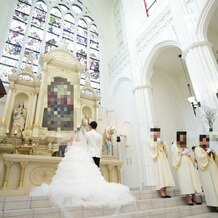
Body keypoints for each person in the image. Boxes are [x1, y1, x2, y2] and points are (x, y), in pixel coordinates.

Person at [30, 128, 135, 208]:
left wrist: (69, 143)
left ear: (75, 132)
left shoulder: (74, 137)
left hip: (73, 154)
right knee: (85, 172)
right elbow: (85, 145)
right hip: (83, 155)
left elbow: (70, 143)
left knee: (73, 172)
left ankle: (76, 188)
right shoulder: (84, 138)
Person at [171, 131, 202, 206]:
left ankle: (194, 196)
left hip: (189, 164)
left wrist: (189, 154)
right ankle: (188, 198)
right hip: (181, 165)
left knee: (192, 179)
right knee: (185, 180)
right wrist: (182, 153)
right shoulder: (175, 144)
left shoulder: (185, 144)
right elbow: (175, 154)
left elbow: (191, 154)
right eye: (181, 136)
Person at [149, 128, 175, 198]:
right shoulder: (151, 140)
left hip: (163, 158)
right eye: (155, 132)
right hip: (158, 159)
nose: (157, 134)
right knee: (160, 173)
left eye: (158, 132)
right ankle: (161, 190)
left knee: (165, 173)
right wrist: (156, 143)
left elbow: (166, 149)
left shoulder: (160, 139)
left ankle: (166, 189)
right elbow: (152, 147)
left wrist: (164, 144)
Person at [194, 135, 218, 208]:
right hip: (206, 171)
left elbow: (214, 158)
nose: (206, 142)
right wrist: (206, 153)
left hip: (213, 169)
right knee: (210, 186)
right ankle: (215, 204)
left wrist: (214, 153)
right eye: (204, 140)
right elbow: (200, 158)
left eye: (207, 140)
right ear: (200, 141)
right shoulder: (197, 149)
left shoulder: (208, 148)